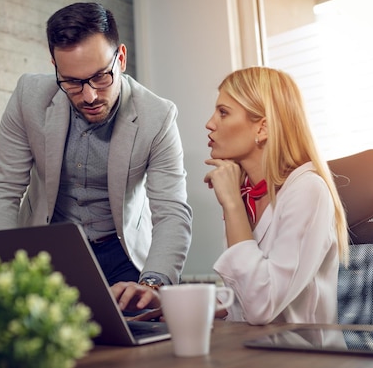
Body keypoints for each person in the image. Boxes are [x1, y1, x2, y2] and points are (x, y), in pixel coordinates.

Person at [112, 66, 349, 325]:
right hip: (253, 346)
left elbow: (261, 308)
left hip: (299, 354)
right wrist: (167, 303)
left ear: (262, 129)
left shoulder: (307, 190)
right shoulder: (246, 190)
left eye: (223, 113)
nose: (210, 123)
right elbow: (243, 297)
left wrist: (233, 204)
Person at [0, 2, 192, 289]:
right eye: (72, 82)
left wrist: (153, 283)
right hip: (47, 252)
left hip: (123, 257)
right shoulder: (28, 96)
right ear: (55, 67)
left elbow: (171, 211)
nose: (90, 96)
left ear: (122, 59)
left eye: (101, 77)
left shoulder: (158, 117)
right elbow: (4, 188)